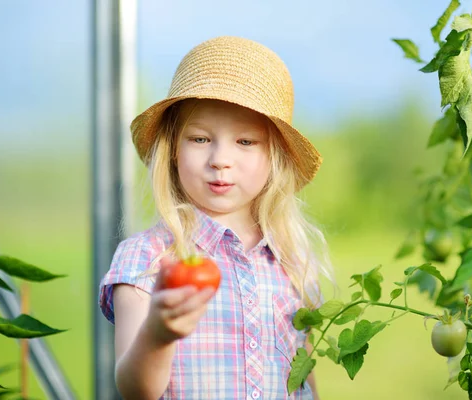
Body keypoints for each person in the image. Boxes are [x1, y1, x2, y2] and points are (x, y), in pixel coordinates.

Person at [99, 35, 333, 400]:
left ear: (275, 158)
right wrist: (158, 335)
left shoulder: (292, 261)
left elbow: (303, 374)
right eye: (200, 139)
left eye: (245, 142)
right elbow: (135, 389)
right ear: (173, 150)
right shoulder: (147, 259)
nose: (221, 159)